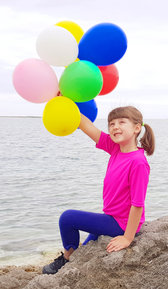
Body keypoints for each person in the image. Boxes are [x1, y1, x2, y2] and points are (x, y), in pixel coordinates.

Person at [42, 106, 155, 274]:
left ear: (137, 128)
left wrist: (127, 237)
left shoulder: (138, 162)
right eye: (111, 124)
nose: (115, 126)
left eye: (122, 122)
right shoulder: (115, 149)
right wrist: (66, 103)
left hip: (121, 223)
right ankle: (73, 257)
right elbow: (88, 127)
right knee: (84, 252)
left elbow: (137, 204)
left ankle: (66, 257)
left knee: (67, 218)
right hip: (110, 217)